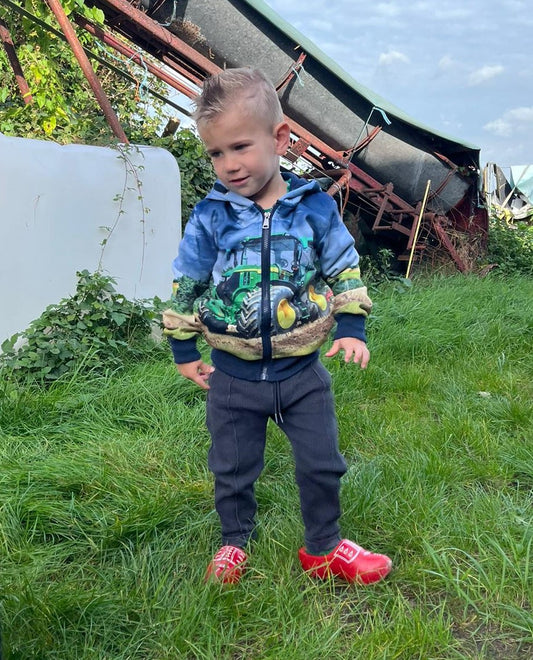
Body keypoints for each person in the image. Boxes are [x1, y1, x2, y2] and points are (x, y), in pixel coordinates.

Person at [163, 67, 392, 585]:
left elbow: (344, 269)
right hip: (232, 379)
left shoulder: (313, 208)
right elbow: (187, 284)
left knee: (321, 463)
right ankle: (234, 541)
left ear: (279, 137)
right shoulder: (210, 217)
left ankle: (324, 548)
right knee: (232, 468)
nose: (229, 165)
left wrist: (351, 329)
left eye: (240, 147)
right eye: (216, 154)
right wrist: (183, 350)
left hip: (302, 375)